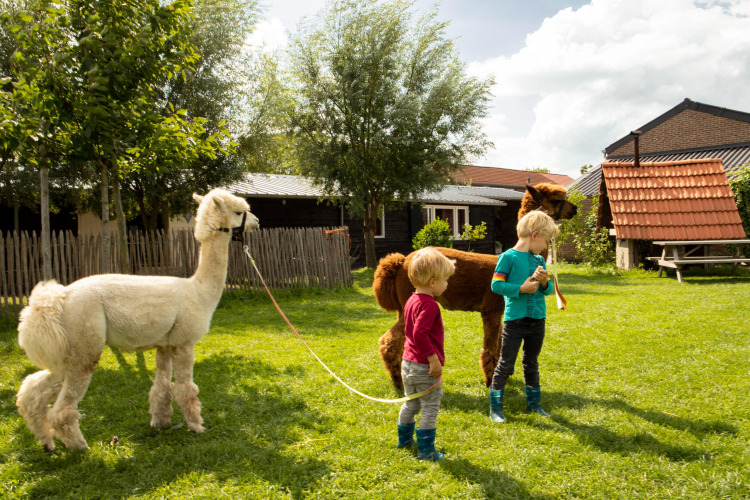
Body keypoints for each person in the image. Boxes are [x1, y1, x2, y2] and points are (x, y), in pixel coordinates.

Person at [488, 211, 559, 423]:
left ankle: (534, 405)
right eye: (546, 240)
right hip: (515, 321)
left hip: (537, 320)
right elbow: (496, 285)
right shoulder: (507, 257)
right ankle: (495, 409)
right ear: (535, 234)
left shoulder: (538, 260)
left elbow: (546, 292)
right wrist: (521, 288)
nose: (545, 246)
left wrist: (544, 282)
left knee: (531, 362)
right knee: (506, 364)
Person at [396, 247, 456, 461]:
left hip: (408, 363)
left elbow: (411, 331)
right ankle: (426, 451)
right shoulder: (430, 305)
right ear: (433, 282)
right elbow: (419, 333)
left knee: (410, 403)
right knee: (430, 406)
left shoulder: (411, 299)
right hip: (423, 366)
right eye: (445, 280)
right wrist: (433, 359)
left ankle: (404, 442)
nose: (446, 284)